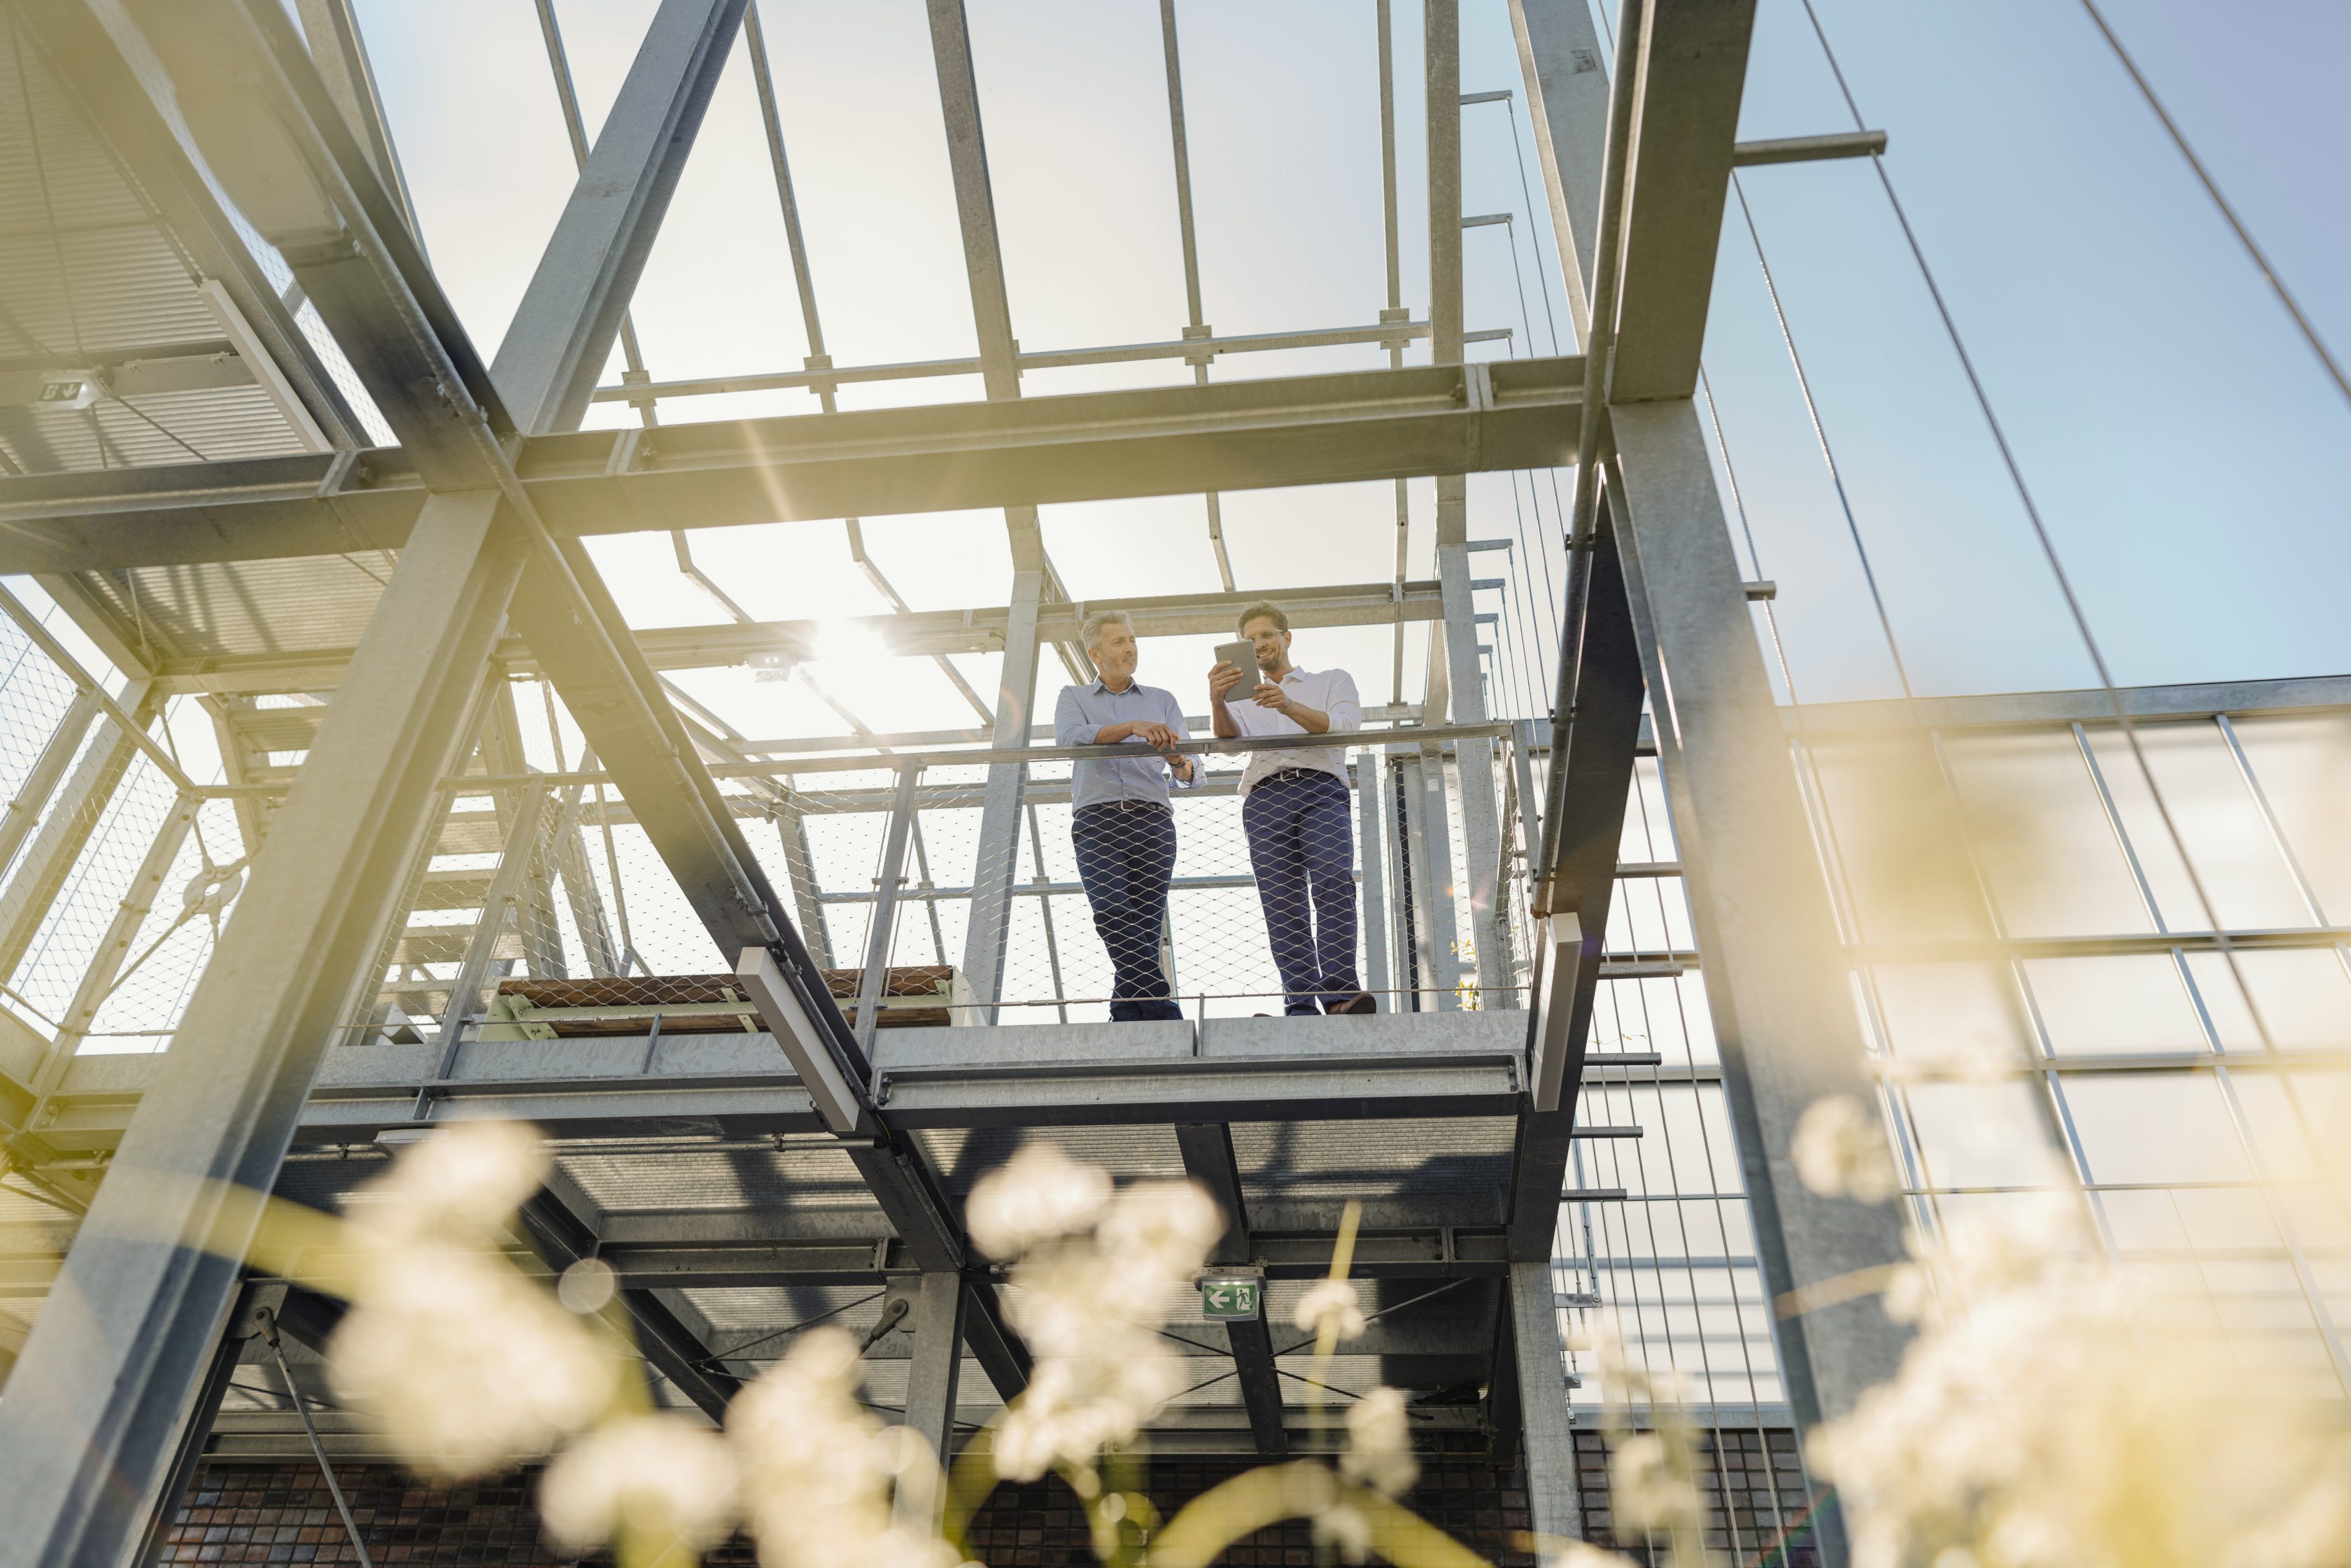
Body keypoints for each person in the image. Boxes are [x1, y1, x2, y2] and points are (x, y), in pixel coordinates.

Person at [1209, 602, 1376, 1017]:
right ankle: (1299, 1003)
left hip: (1320, 789)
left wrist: (1287, 705)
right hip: (1265, 797)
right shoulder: (1242, 695)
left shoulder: (1331, 680)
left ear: (1286, 638)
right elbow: (1230, 742)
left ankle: (1340, 995)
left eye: (1267, 635)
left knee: (1334, 882)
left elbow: (1344, 726)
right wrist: (1217, 701)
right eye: (1250, 640)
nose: (1260, 644)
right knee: (1282, 902)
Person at [1054, 610, 1195, 1022]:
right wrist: (1133, 726)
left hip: (1152, 820)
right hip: (1097, 820)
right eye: (1119, 642)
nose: (1130, 647)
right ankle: (1161, 1004)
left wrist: (1177, 760)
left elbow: (1191, 774)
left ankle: (1127, 1013)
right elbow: (1071, 739)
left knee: (1147, 926)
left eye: (1132, 639)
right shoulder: (1073, 697)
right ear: (1095, 653)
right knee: (1112, 911)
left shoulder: (1163, 699)